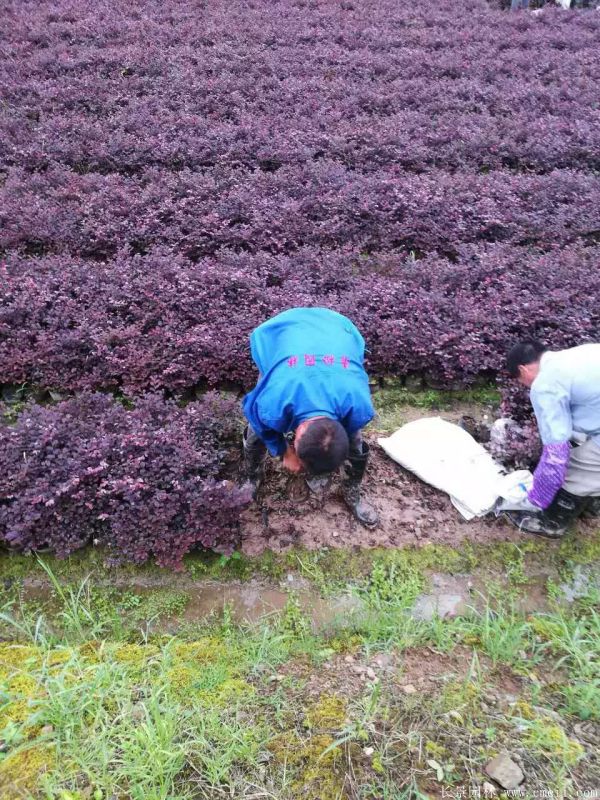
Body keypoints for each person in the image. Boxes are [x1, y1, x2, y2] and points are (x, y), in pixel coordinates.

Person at [242, 307, 378, 527]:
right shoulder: (273, 402)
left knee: (356, 443)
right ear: (298, 433)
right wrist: (283, 451)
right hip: (282, 336)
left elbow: (346, 438)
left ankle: (351, 490)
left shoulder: (358, 406)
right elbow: (255, 415)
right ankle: (251, 476)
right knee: (257, 432)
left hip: (339, 330)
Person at [505, 340, 600, 537]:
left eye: (520, 380)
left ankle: (552, 523)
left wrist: (537, 498)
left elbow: (556, 456)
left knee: (574, 468)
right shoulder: (579, 354)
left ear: (523, 370)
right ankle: (593, 502)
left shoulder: (544, 384)